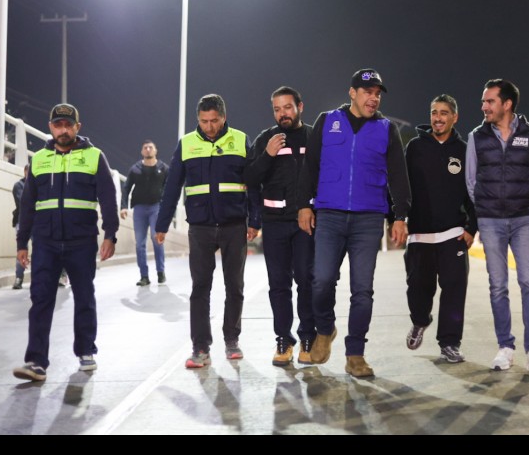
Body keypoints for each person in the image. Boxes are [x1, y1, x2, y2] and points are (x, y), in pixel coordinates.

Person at [297, 68, 411, 378]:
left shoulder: (386, 129)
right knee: (321, 281)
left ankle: (355, 354)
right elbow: (310, 166)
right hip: (329, 215)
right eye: (367, 92)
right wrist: (304, 205)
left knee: (362, 291)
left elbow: (398, 176)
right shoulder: (327, 121)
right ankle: (325, 330)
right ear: (352, 93)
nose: (373, 98)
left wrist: (400, 216)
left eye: (377, 94)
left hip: (368, 219)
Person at [12, 103, 119, 382]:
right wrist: (22, 242)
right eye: (58, 125)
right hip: (45, 241)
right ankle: (36, 361)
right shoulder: (39, 159)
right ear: (51, 128)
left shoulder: (94, 157)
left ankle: (86, 350)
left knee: (84, 296)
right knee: (40, 299)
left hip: (81, 241)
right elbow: (27, 205)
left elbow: (108, 198)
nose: (63, 130)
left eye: (68, 125)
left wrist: (110, 234)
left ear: (77, 127)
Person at [155, 94, 261, 369]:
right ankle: (200, 347)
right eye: (204, 121)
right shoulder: (187, 144)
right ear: (198, 120)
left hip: (233, 225)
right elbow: (172, 186)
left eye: (214, 121)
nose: (209, 127)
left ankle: (232, 340)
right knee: (200, 287)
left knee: (234, 286)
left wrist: (255, 220)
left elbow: (253, 184)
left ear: (224, 117)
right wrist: (162, 224)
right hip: (200, 226)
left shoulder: (240, 140)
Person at [465, 79, 529, 373]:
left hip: (523, 220)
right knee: (498, 286)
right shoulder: (476, 137)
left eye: (490, 101)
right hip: (490, 222)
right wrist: (488, 205)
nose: (484, 107)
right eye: (484, 101)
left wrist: (521, 200)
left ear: (507, 104)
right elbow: (471, 181)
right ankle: (505, 347)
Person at [404, 94, 477, 364]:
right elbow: (400, 185)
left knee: (454, 290)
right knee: (418, 289)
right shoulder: (414, 147)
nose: (438, 118)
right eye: (434, 112)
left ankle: (449, 343)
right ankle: (420, 321)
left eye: (444, 113)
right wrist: (397, 218)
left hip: (452, 234)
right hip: (419, 234)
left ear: (454, 117)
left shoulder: (465, 150)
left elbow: (474, 192)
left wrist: (472, 227)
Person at [245, 86, 316, 367]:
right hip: (274, 224)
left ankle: (308, 337)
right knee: (278, 284)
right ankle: (284, 340)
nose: (282, 114)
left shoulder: (314, 137)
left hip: (306, 223)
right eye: (277, 109)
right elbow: (250, 178)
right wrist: (268, 155)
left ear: (300, 106)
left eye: (287, 107)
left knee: (306, 281)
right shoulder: (266, 139)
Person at [120, 140, 169, 287]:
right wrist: (124, 207)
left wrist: (167, 208)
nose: (148, 149)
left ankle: (160, 272)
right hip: (139, 209)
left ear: (155, 150)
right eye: (145, 148)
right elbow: (126, 188)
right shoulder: (135, 169)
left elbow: (170, 188)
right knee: (140, 244)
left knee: (157, 238)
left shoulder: (164, 168)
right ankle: (144, 276)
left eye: (150, 147)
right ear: (142, 151)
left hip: (156, 208)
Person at [12, 164, 29, 289]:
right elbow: (22, 203)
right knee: (21, 249)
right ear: (25, 172)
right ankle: (19, 278)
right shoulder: (19, 186)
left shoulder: (39, 184)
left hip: (37, 222)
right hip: (22, 222)